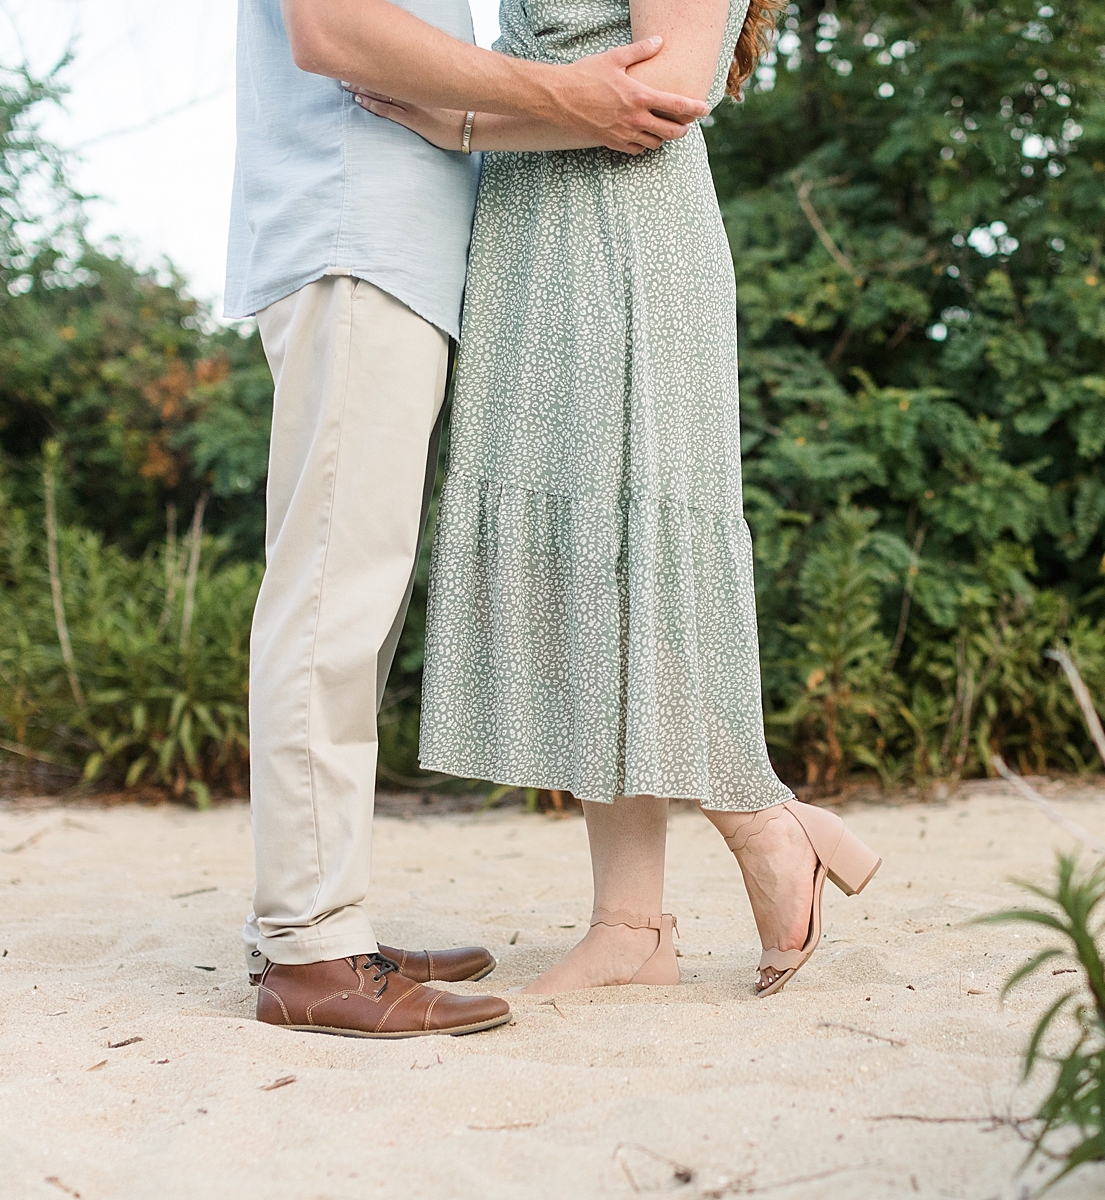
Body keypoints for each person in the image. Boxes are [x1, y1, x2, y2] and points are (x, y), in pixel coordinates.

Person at [350, 0, 881, 999]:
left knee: (624, 568)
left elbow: (664, 97)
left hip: (625, 239)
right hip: (531, 232)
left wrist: (451, 120)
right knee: (566, 576)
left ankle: (764, 828)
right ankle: (632, 924)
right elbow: (579, 83)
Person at [226, 0, 712, 1038]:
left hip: (390, 247)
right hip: (354, 235)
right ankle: (311, 949)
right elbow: (332, 29)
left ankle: (320, 922)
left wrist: (479, 120)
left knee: (352, 595)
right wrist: (567, 94)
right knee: (332, 595)